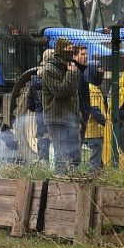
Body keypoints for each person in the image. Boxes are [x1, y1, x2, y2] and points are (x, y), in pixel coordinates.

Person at [41, 38, 82, 173]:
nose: (71, 51)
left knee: (75, 156)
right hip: (57, 118)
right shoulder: (50, 69)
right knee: (62, 155)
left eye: (72, 48)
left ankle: (73, 181)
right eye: (68, 48)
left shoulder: (69, 67)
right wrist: (70, 74)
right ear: (60, 50)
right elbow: (60, 92)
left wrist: (78, 117)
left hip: (70, 119)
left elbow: (73, 95)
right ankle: (60, 183)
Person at [82, 60, 108, 169]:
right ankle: (90, 178)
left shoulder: (95, 88)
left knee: (100, 159)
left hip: (98, 131)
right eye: (99, 69)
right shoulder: (91, 89)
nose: (102, 72)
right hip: (93, 132)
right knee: (95, 160)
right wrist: (106, 123)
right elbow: (94, 110)